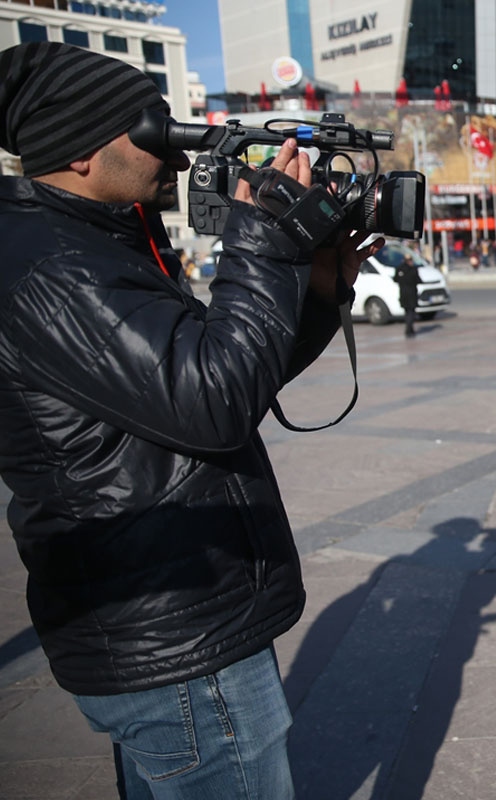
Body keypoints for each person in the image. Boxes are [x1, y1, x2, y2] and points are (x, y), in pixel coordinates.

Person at [0, 42, 377, 798]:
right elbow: (214, 402)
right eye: (150, 134)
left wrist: (318, 287)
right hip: (174, 639)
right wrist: (262, 232)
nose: (172, 157)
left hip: (174, 623)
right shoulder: (57, 271)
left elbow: (221, 374)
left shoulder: (92, 244)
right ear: (78, 151)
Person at [395, 249, 419, 337]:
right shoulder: (413, 269)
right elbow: (418, 280)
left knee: (407, 312)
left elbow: (396, 279)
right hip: (411, 293)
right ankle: (409, 329)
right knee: (411, 312)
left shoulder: (399, 268)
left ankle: (410, 329)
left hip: (403, 293)